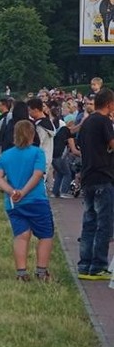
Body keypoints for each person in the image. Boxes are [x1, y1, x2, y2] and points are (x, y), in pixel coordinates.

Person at [0, 120, 54, 282]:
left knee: (21, 235)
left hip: (14, 203)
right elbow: (38, 174)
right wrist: (24, 191)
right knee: (45, 235)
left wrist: (11, 191)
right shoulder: (37, 153)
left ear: (14, 135)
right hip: (36, 200)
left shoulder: (6, 155)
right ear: (32, 135)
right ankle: (41, 272)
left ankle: (21, 272)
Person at [76, 87, 114, 280]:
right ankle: (98, 265)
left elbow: (79, 144)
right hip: (103, 176)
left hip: (88, 175)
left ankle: (84, 264)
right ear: (109, 104)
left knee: (89, 222)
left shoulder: (88, 121)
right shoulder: (104, 120)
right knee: (104, 223)